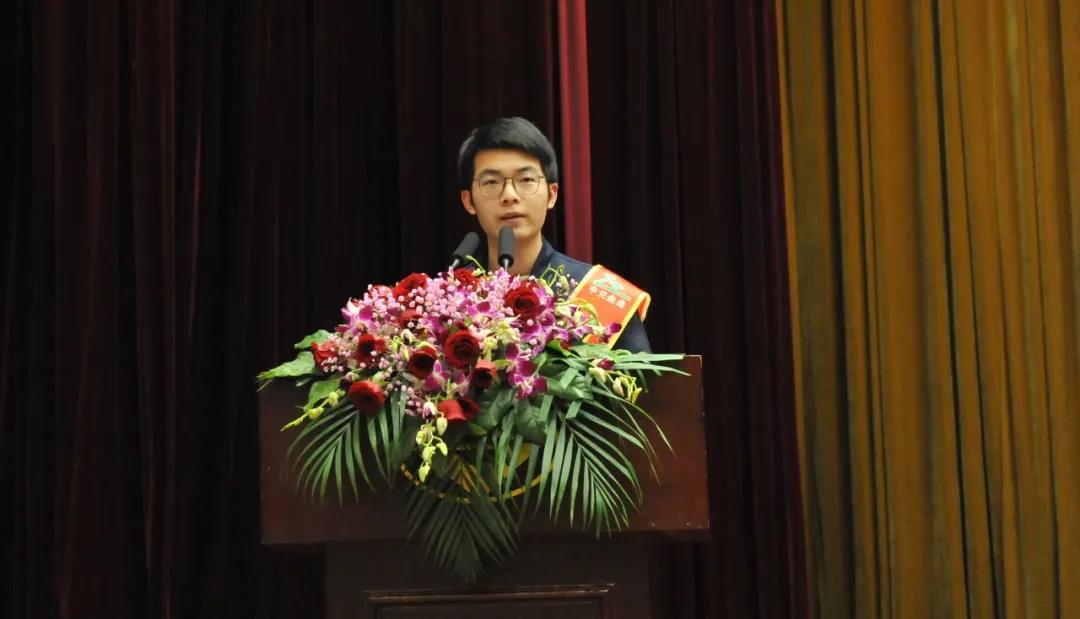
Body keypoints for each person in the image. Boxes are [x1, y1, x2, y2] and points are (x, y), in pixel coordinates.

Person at [457, 117, 651, 353]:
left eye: (526, 180)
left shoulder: (598, 293)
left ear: (552, 195)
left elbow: (640, 378)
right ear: (468, 201)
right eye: (491, 182)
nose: (509, 195)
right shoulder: (454, 298)